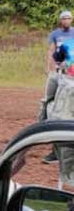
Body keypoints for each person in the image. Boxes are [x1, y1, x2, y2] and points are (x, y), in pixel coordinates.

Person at [41, 11, 74, 164]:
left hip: (70, 77)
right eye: (64, 18)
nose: (66, 20)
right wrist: (49, 68)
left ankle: (62, 151)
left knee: (65, 111)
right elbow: (52, 52)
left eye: (69, 18)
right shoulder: (56, 34)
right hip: (59, 75)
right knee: (50, 106)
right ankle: (44, 129)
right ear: (60, 21)